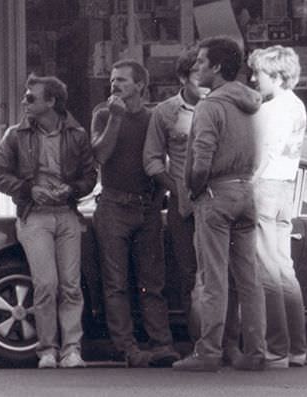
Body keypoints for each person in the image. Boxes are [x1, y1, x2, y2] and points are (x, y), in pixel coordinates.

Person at [0, 74, 97, 369]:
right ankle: (48, 348)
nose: (25, 100)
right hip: (34, 214)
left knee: (71, 285)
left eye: (31, 97)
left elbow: (90, 176)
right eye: (26, 96)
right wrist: (28, 189)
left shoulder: (77, 134)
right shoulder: (15, 134)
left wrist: (72, 189)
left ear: (52, 102)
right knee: (46, 283)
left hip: (66, 213)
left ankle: (72, 348)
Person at [172, 36, 266, 372]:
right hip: (246, 190)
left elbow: (201, 160)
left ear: (217, 67)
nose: (196, 67)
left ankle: (208, 351)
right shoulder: (252, 104)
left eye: (201, 61)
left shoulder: (211, 106)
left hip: (216, 193)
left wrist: (195, 190)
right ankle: (255, 350)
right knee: (248, 277)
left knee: (213, 278)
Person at [142, 48, 241, 363]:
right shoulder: (167, 113)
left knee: (227, 274)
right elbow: (153, 160)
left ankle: (229, 343)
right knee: (192, 277)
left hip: (221, 200)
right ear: (184, 79)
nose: (206, 85)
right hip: (185, 207)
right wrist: (179, 188)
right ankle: (202, 344)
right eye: (199, 79)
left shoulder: (225, 105)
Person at [91, 59, 180, 368]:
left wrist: (159, 197)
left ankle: (162, 344)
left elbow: (161, 160)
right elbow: (100, 154)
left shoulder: (154, 118)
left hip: (147, 206)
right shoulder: (103, 114)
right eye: (113, 80)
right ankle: (127, 347)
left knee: (152, 281)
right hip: (113, 205)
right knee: (116, 282)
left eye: (123, 80)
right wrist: (115, 117)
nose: (115, 85)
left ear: (141, 85)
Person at [248, 45, 307, 368]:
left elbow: (262, 155)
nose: (254, 78)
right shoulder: (297, 106)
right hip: (286, 188)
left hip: (265, 188)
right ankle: (298, 347)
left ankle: (277, 348)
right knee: (285, 269)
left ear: (276, 75)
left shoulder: (268, 111)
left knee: (267, 271)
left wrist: (249, 184)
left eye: (259, 72)